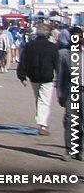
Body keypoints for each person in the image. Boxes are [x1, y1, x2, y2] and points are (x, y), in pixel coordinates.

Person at [17, 21, 62, 136]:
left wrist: (22, 76)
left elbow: (23, 61)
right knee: (44, 100)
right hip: (47, 77)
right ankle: (43, 124)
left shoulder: (30, 46)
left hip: (34, 76)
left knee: (39, 98)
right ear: (48, 34)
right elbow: (57, 64)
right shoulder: (53, 47)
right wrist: (60, 77)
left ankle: (41, 121)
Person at [56, 26, 82, 162]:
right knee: (71, 120)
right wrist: (59, 93)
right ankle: (70, 149)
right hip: (71, 89)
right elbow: (60, 75)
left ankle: (81, 150)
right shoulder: (64, 54)